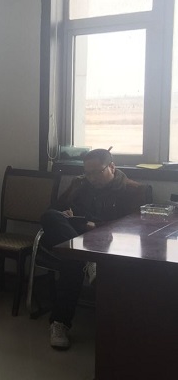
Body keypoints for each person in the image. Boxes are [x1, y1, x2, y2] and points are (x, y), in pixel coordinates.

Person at [39, 148, 147, 350]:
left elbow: (133, 226)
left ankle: (59, 322)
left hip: (108, 242)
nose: (92, 178)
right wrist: (69, 216)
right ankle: (88, 260)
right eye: (88, 173)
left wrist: (95, 226)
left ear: (112, 167)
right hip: (75, 236)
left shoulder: (133, 190)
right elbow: (55, 210)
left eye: (97, 172)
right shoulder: (80, 184)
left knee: (72, 261)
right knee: (51, 219)